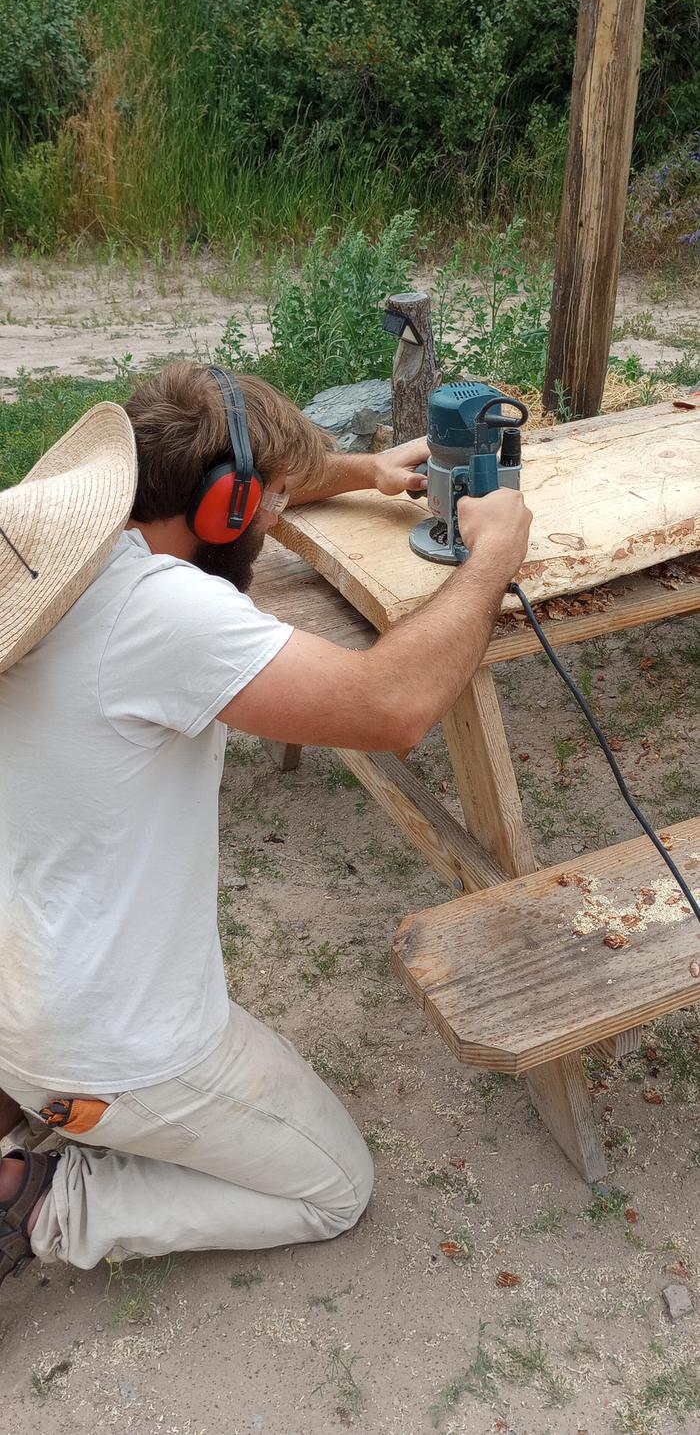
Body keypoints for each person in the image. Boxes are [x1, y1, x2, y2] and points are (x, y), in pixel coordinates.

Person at [0, 361, 532, 1286]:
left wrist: (363, 472)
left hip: (22, 977)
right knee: (331, 1187)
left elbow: (245, 480)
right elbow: (394, 707)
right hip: (101, 1040)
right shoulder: (159, 614)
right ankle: (41, 1200)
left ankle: (30, 1099)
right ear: (225, 508)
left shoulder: (45, 538)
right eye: (272, 504)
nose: (276, 518)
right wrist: (495, 554)